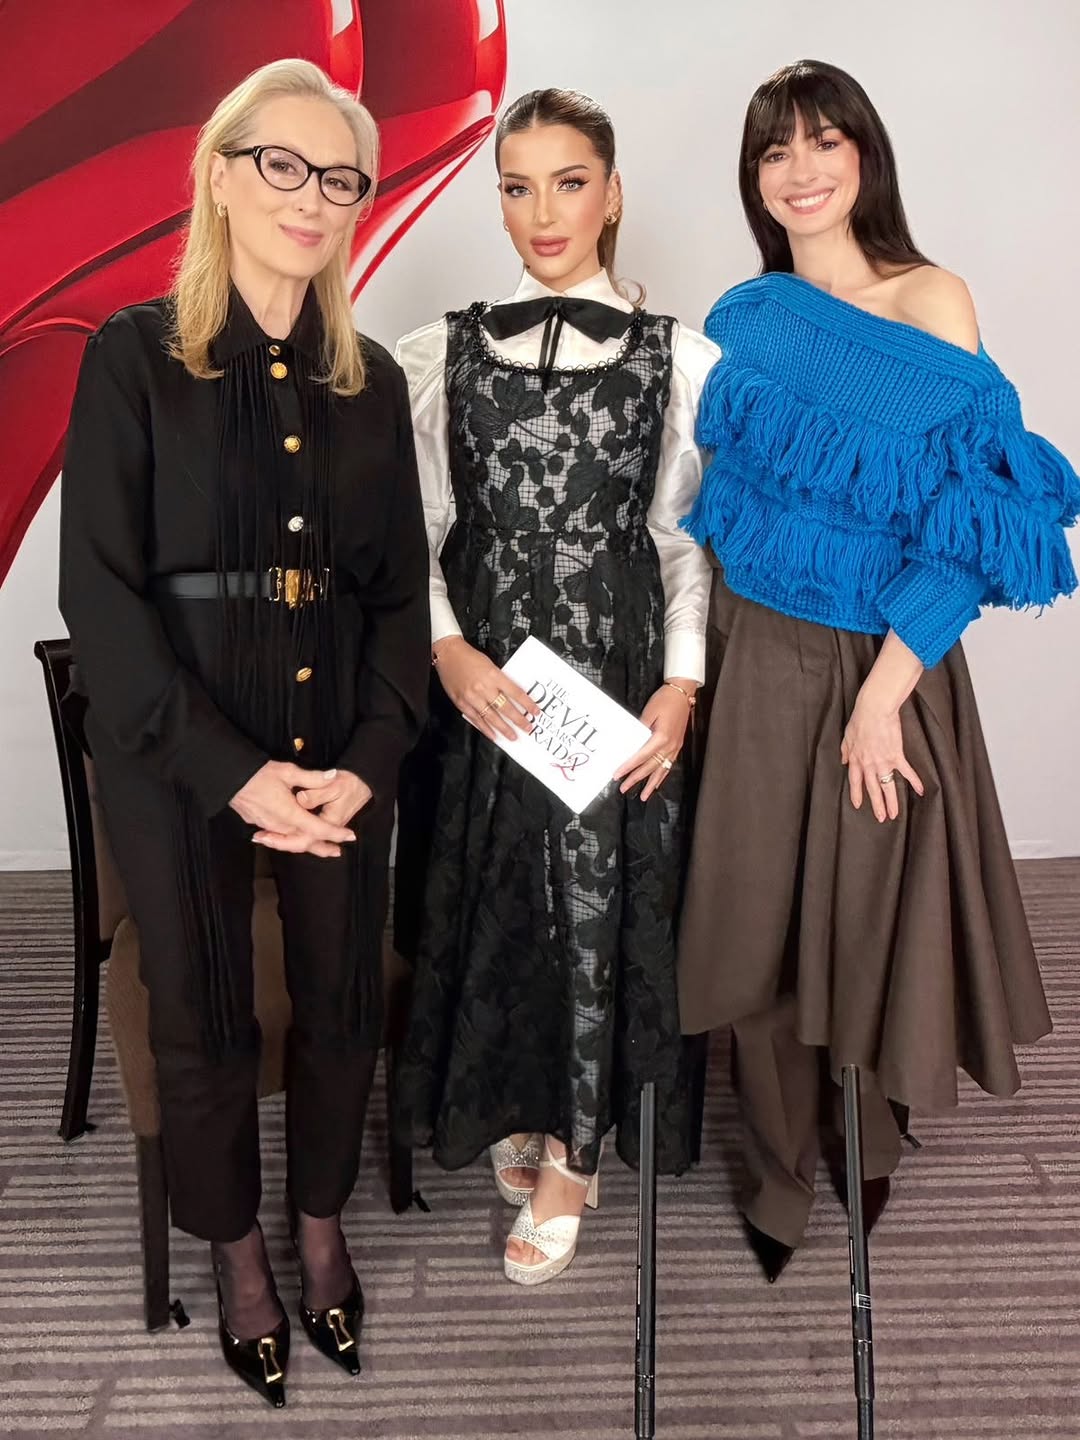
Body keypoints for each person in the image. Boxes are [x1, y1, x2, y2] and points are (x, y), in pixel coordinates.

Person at [59, 59, 428, 1402]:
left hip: (337, 749)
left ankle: (321, 1223)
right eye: (283, 164)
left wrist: (364, 768)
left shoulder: (371, 381)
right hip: (174, 754)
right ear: (220, 171)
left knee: (338, 1006)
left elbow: (397, 598)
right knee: (204, 1018)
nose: (313, 198)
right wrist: (234, 775)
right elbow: (97, 597)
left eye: (340, 178)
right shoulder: (129, 356)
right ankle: (237, 1255)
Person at [678, 59, 1079, 1282]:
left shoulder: (930, 300)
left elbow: (980, 526)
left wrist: (882, 700)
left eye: (824, 142)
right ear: (754, 179)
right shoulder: (744, 318)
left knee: (863, 915)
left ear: (865, 157)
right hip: (752, 655)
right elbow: (710, 510)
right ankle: (778, 1167)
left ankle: (867, 1132)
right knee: (752, 918)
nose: (800, 171)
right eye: (774, 152)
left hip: (884, 666)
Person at [393, 88, 721, 1285]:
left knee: (592, 903)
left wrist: (681, 689)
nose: (542, 212)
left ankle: (577, 1154)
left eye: (568, 181)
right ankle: (520, 1107)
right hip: (488, 683)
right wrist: (447, 650)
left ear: (613, 192)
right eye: (517, 185)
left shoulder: (679, 358)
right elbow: (418, 535)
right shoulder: (440, 353)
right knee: (501, 896)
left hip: (619, 675)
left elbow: (683, 542)